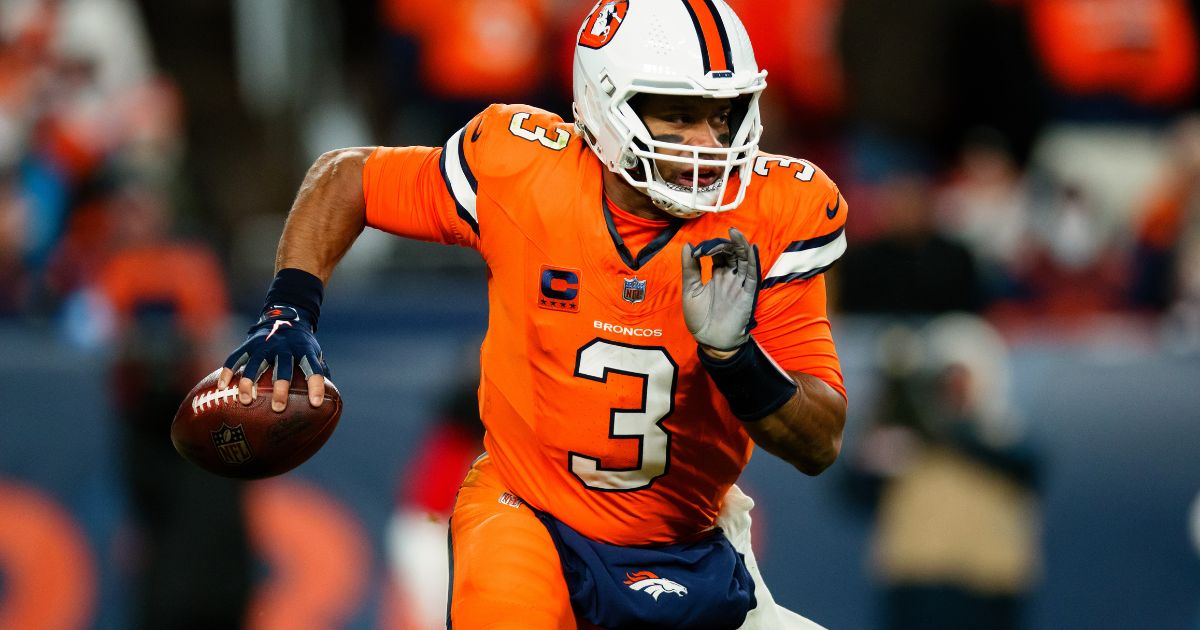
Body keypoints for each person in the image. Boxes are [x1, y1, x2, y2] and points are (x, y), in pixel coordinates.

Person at [217, 1, 848, 627]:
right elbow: (345, 177)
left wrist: (738, 361)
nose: (709, 144)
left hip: (688, 536)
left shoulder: (776, 210)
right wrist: (288, 310)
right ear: (606, 106)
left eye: (723, 115)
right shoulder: (525, 169)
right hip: (529, 511)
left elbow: (820, 441)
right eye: (679, 116)